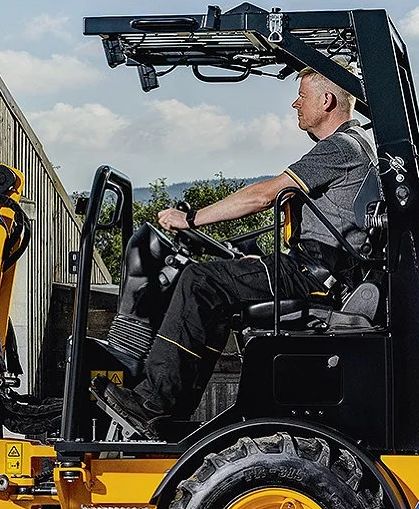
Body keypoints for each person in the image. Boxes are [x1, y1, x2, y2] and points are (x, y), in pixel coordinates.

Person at [99, 68, 376, 434]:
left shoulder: (340, 148)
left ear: (326, 101)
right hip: (313, 269)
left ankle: (154, 401)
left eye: (302, 96)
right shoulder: (356, 146)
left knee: (198, 281)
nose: (296, 103)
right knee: (216, 293)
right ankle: (168, 412)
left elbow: (264, 195)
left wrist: (191, 218)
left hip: (312, 274)